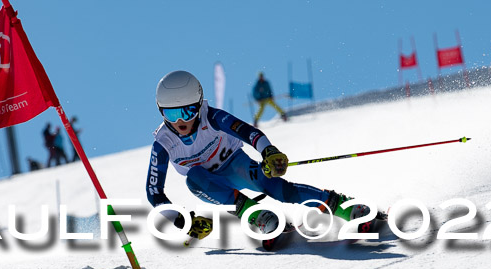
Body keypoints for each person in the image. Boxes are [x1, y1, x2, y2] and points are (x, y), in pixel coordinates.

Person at [146, 70, 371, 244]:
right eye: (171, 113)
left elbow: (247, 132)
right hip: (208, 185)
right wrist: (181, 221)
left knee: (280, 189)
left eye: (187, 112)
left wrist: (268, 151)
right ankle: (258, 217)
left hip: (235, 165)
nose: (179, 122)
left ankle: (342, 205)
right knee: (193, 176)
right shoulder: (164, 143)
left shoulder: (211, 117)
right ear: (160, 111)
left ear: (198, 105)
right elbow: (154, 192)